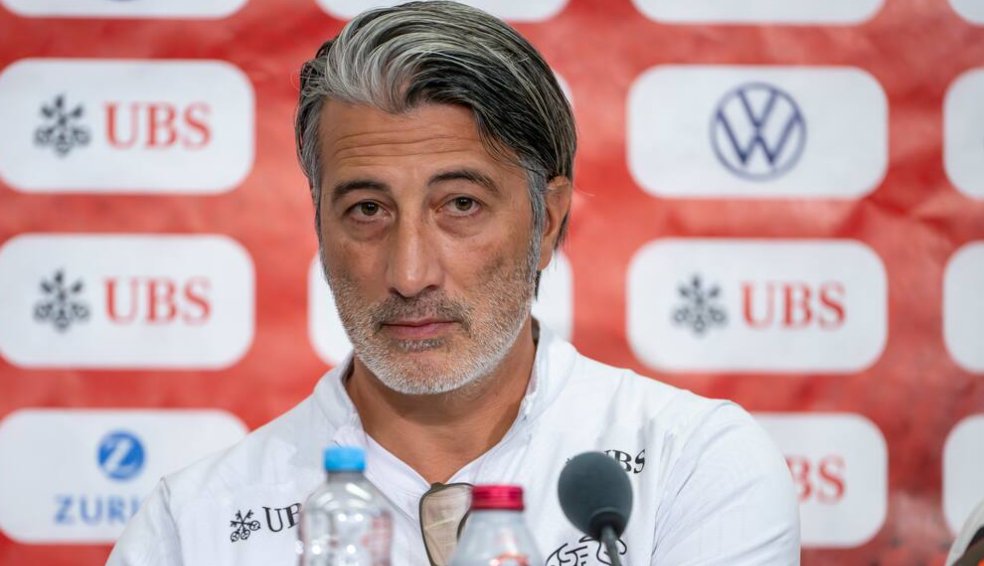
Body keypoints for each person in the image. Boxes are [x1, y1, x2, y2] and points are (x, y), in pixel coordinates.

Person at [107, 2, 799, 565]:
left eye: (460, 205)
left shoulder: (690, 463)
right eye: (368, 210)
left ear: (548, 221)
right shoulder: (192, 524)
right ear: (319, 226)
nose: (410, 275)